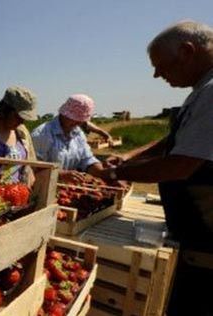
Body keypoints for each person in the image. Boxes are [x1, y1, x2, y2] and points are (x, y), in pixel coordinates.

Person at [99, 20, 213, 314]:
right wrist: (129, 158)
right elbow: (175, 140)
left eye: (161, 65)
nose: (156, 74)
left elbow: (181, 164)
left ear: (187, 51)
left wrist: (114, 173)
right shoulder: (202, 90)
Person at [31, 94, 107, 183]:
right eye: (75, 119)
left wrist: (103, 172)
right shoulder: (42, 134)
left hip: (67, 190)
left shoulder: (78, 134)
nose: (78, 123)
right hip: (43, 189)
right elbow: (33, 166)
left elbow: (86, 159)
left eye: (81, 120)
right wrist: (61, 174)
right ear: (64, 114)